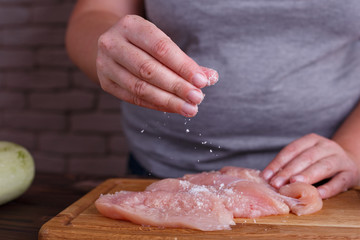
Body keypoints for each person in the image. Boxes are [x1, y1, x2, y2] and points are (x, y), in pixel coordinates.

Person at [65, 0, 360, 199]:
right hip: (164, 172)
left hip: (328, 181)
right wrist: (109, 49)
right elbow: (94, 12)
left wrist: (352, 149)